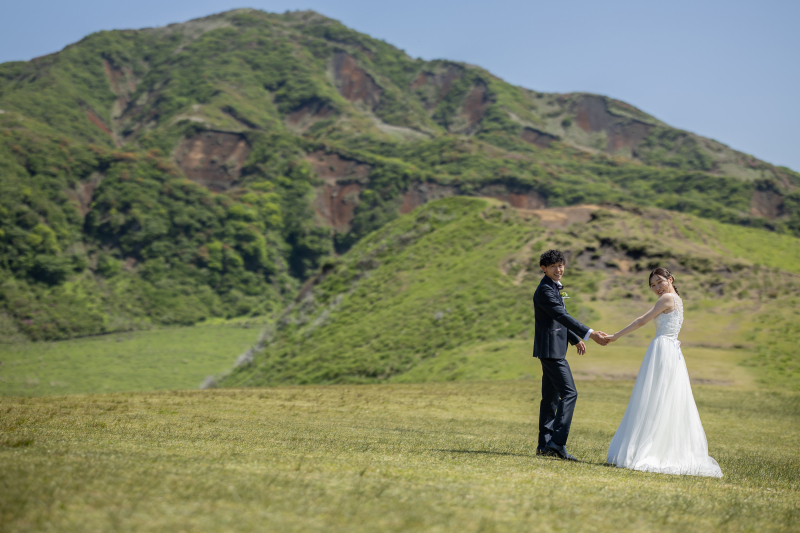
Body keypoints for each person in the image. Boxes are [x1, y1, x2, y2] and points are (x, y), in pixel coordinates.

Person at [604, 268, 723, 477]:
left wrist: (615, 336)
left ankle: (647, 449)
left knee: (654, 396)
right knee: (665, 397)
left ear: (670, 279)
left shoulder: (668, 298)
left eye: (659, 282)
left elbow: (642, 320)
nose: (657, 288)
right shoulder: (678, 299)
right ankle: (658, 445)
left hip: (663, 349)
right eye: (653, 285)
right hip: (670, 350)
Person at [533, 249, 609, 461]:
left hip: (552, 348)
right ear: (544, 269)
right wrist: (589, 333)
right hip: (551, 351)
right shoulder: (545, 291)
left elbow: (557, 319)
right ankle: (557, 443)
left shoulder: (553, 287)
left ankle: (544, 445)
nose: (559, 270)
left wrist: (574, 339)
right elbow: (561, 315)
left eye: (561, 265)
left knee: (550, 398)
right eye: (554, 266)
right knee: (570, 393)